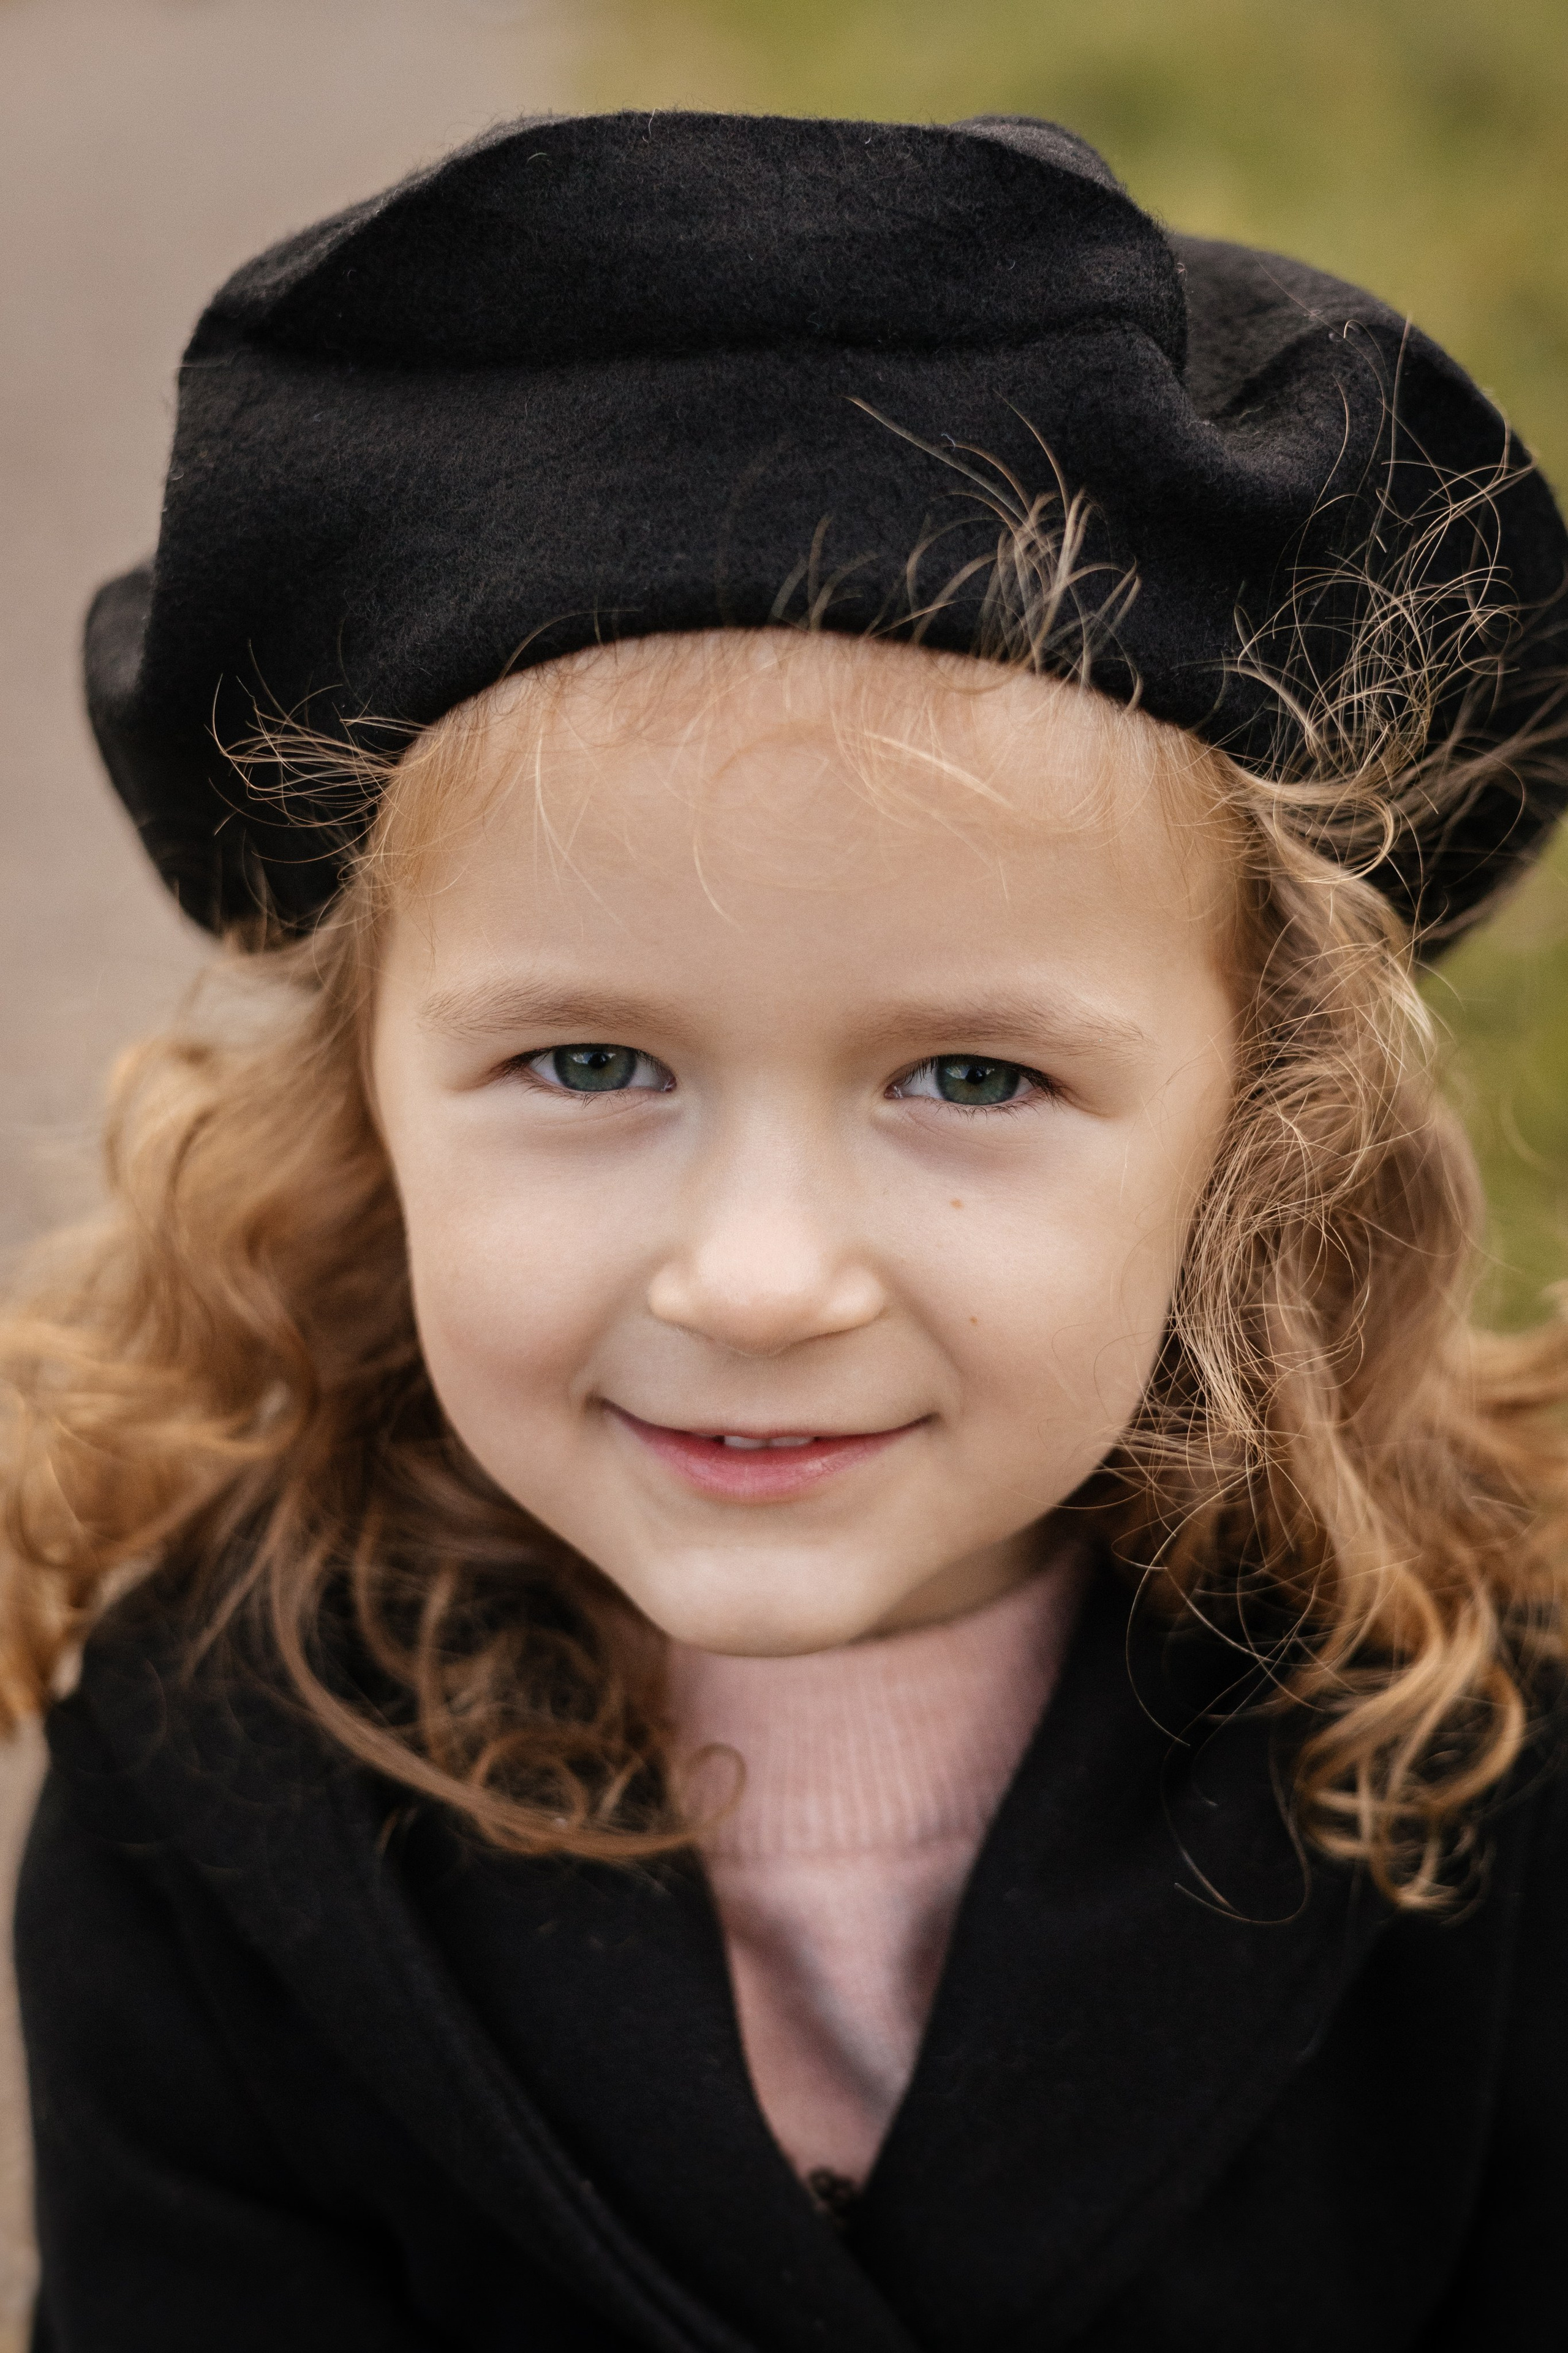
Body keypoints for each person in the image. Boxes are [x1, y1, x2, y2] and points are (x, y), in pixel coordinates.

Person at [5, 109, 1568, 2352]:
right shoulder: (218, 1776)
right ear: (365, 1093)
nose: (755, 1278)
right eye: (588, 1066)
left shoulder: (1469, 1754)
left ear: (1264, 1130)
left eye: (971, 1079)